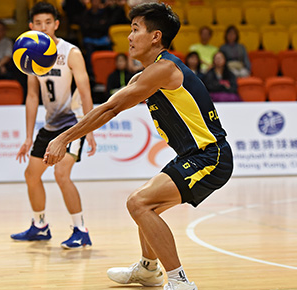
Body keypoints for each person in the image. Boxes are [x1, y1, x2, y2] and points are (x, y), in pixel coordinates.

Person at [43, 3, 233, 289]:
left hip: (211, 157)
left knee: (138, 203)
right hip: (193, 155)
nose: (129, 37)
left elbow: (110, 109)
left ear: (155, 37)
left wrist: (62, 138)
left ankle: (180, 282)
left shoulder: (165, 70)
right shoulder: (148, 75)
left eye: (135, 29)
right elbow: (112, 106)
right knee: (146, 202)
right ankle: (147, 269)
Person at [11, 2, 97, 249]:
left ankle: (81, 230)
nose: (43, 27)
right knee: (31, 175)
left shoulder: (71, 53)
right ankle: (39, 226)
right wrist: (28, 137)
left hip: (74, 125)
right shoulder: (29, 53)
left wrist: (89, 129)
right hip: (50, 125)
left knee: (61, 174)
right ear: (30, 26)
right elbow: (31, 97)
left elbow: (85, 91)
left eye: (48, 22)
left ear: (56, 24)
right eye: (38, 23)